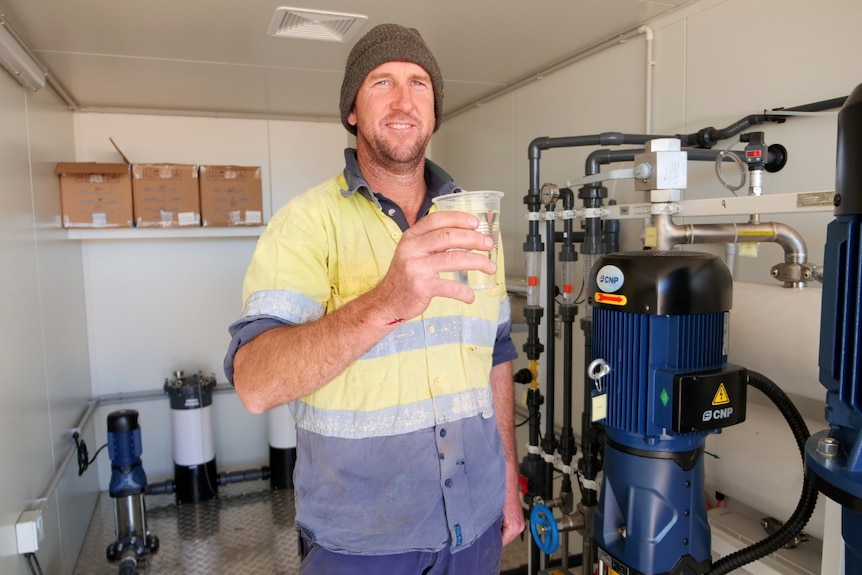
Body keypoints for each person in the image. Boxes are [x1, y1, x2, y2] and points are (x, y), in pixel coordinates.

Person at [224, 23, 524, 574]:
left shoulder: (474, 223)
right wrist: (385, 300)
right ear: (353, 111)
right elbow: (255, 382)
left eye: (419, 84)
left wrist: (507, 478)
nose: (405, 100)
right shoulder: (305, 225)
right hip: (362, 547)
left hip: (476, 525)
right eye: (382, 82)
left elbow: (497, 354)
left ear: (434, 110)